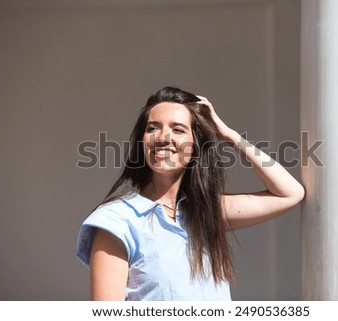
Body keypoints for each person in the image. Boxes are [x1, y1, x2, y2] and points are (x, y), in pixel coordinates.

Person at [76, 86, 305, 300]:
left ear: (196, 145)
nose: (163, 138)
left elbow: (289, 193)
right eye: (153, 128)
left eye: (178, 129)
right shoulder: (116, 221)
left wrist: (230, 136)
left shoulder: (205, 212)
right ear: (142, 142)